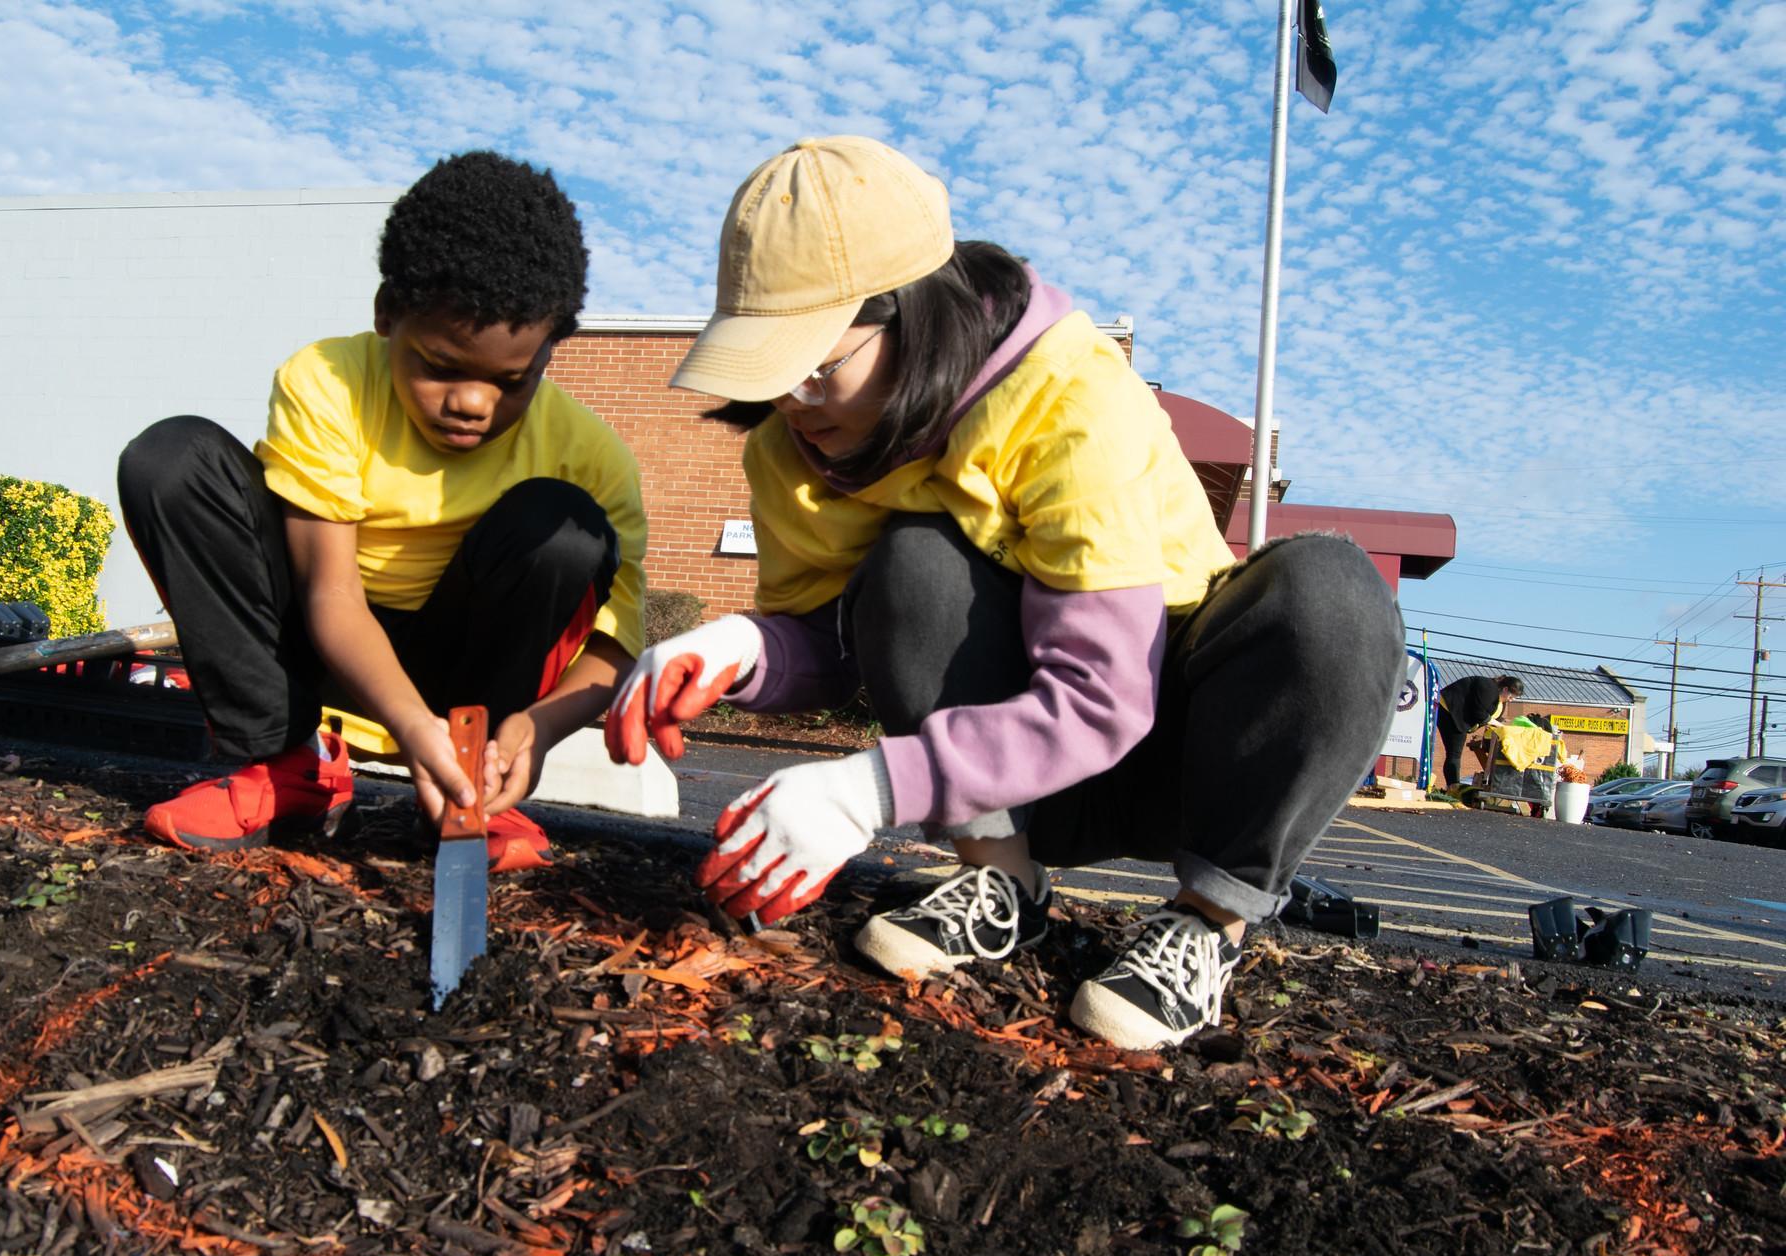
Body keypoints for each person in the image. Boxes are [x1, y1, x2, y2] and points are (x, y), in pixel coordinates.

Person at [606, 136, 1403, 1050]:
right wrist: (739, 648)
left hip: (1191, 753)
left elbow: (1106, 698)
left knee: (1331, 592)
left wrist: (865, 792)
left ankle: (1205, 922)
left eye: (819, 363)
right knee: (915, 557)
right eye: (768, 369)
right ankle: (1002, 881)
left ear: (912, 312)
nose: (793, 398)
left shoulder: (1066, 394)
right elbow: (836, 638)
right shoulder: (789, 451)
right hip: (1013, 779)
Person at [119, 151, 647, 871]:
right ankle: (286, 765)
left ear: (551, 349)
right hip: (316, 639)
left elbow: (613, 650)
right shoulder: (328, 381)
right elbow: (329, 594)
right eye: (440, 365)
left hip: (461, 675)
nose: (471, 403)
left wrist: (537, 729)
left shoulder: (590, 455)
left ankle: (473, 788)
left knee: (562, 527)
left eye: (510, 381)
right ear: (386, 314)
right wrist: (404, 721)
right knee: (171, 462)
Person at [1435, 673, 1523, 788]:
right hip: (1448, 710)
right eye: (1511, 696)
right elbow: (1479, 714)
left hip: (1460, 719)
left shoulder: (1500, 702)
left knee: (1455, 754)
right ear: (1505, 689)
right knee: (1454, 753)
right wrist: (1498, 724)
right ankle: (1453, 786)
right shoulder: (1488, 688)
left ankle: (1453, 785)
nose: (1511, 700)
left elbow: (1492, 719)